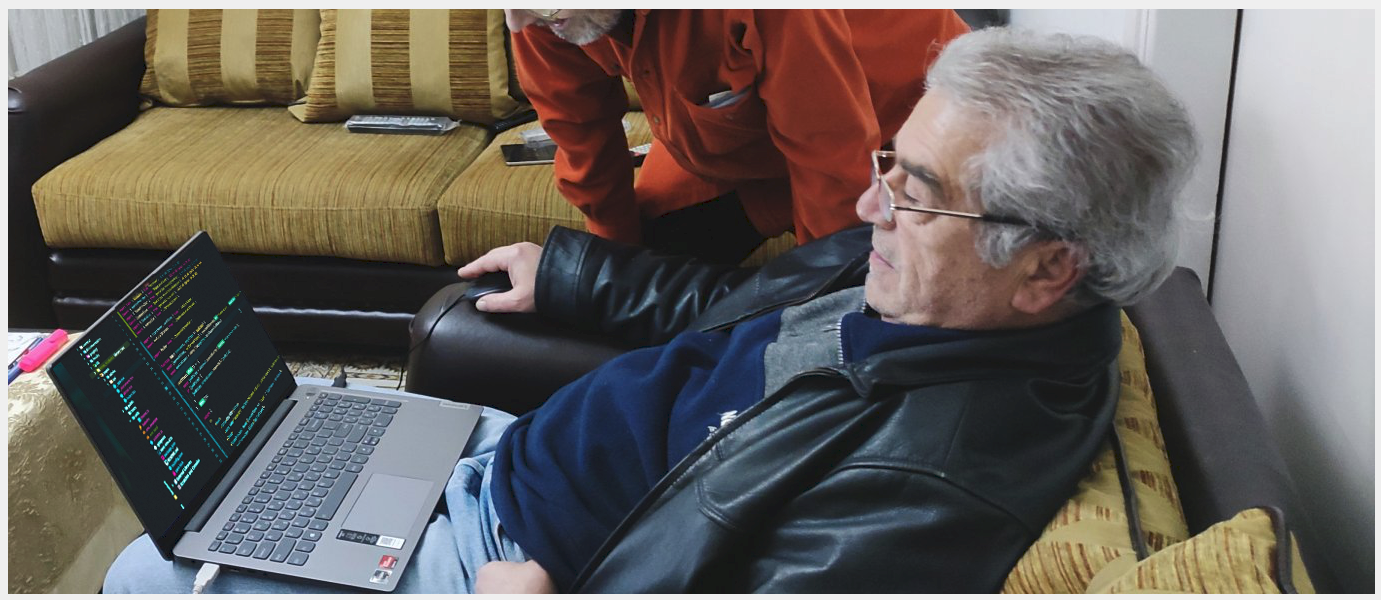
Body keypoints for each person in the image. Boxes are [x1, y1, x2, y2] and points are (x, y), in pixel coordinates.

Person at [104, 27, 1197, 593]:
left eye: (910, 191)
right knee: (258, 437)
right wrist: (572, 272)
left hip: (511, 555)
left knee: (138, 572)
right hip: (503, 453)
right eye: (887, 167)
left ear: (1046, 268)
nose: (867, 208)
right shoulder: (942, 290)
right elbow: (737, 300)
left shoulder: (930, 482)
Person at [504, 9, 970, 264]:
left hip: (903, 123)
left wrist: (819, 305)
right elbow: (582, 139)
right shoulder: (538, 16)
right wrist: (607, 275)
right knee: (649, 254)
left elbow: (832, 156)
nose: (516, 21)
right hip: (744, 148)